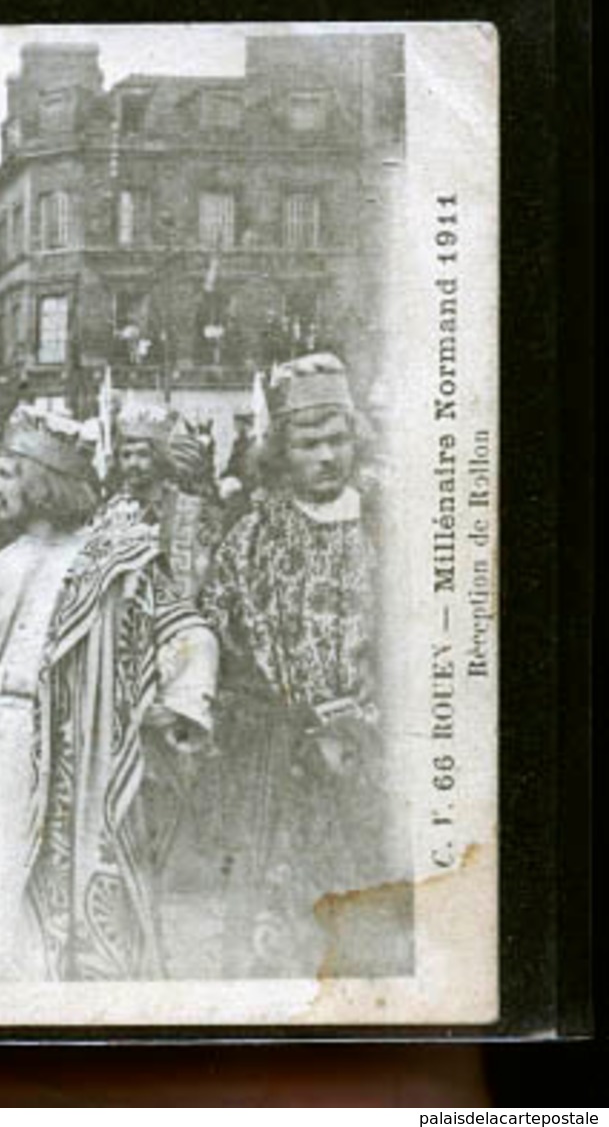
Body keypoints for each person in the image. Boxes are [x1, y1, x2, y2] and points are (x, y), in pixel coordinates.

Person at [0, 406, 218, 982]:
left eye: (4, 473)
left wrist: (178, 702)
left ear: (42, 480)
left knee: (73, 889)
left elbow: (185, 630)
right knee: (4, 889)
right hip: (3, 748)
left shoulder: (113, 563)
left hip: (83, 748)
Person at [198, 353, 409, 979]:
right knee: (281, 927)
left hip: (373, 758)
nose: (326, 456)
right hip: (280, 761)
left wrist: (369, 716)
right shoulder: (254, 535)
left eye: (338, 439)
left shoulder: (388, 525)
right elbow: (220, 634)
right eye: (309, 442)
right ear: (281, 451)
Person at [111, 404, 225, 600]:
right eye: (126, 455)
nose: (133, 464)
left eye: (142, 454)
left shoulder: (191, 509)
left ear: (160, 458)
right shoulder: (110, 509)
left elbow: (204, 576)